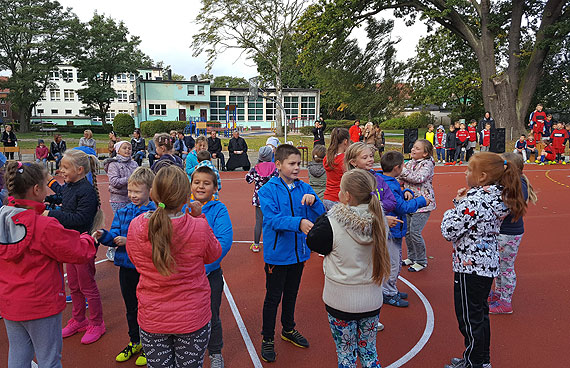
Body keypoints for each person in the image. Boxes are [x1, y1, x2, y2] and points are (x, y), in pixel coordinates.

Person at [0, 162, 96, 368]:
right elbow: (77, 251)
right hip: (41, 304)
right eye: (45, 185)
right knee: (49, 359)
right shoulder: (42, 225)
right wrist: (88, 238)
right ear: (36, 190)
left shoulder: (2, 217)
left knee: (18, 353)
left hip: (10, 301)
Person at [126, 166, 221, 368]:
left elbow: (135, 261)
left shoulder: (137, 226)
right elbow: (214, 254)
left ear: (152, 193)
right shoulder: (198, 227)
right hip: (192, 318)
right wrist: (199, 217)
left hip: (153, 318)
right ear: (187, 196)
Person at [441, 152, 526, 368]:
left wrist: (454, 206)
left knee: (469, 318)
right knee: (480, 315)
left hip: (470, 266)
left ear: (482, 176)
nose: (466, 173)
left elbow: (449, 230)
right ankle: (480, 360)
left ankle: (475, 363)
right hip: (486, 263)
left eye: (470, 170)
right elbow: (474, 218)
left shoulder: (477, 199)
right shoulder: (499, 194)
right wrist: (462, 201)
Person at [306, 169, 389, 368]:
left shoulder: (332, 222)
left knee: (346, 355)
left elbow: (313, 241)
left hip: (340, 300)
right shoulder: (380, 220)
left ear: (347, 195)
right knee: (369, 353)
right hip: (371, 298)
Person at [257, 144, 326, 363]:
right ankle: (267, 337)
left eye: (299, 164)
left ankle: (288, 329)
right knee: (273, 298)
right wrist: (298, 223)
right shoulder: (267, 190)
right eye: (292, 164)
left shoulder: (305, 188)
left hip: (299, 254)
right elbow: (272, 220)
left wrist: (314, 203)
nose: (297, 168)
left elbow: (322, 213)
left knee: (292, 294)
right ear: (278, 165)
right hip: (278, 255)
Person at [92, 167, 156, 366]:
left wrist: (129, 241)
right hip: (126, 268)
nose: (132, 195)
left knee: (148, 308)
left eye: (137, 191)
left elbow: (155, 240)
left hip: (146, 269)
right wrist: (105, 236)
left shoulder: (155, 213)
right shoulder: (124, 212)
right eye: (130, 191)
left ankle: (149, 345)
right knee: (131, 307)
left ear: (150, 191)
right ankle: (135, 341)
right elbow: (114, 236)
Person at [46, 149, 105, 344]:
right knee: (74, 285)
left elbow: (80, 219)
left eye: (65, 167)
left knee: (87, 286)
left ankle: (97, 323)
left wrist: (53, 215)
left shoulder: (87, 191)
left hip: (82, 244)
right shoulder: (71, 185)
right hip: (70, 243)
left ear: (79, 169)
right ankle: (79, 319)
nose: (60, 170)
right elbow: (64, 198)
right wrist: (49, 201)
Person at [190, 166, 233, 367]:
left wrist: (205, 265)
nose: (201, 186)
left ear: (215, 187)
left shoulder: (218, 209)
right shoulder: (183, 207)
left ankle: (215, 352)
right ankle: (188, 349)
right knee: (187, 314)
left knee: (212, 315)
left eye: (206, 183)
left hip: (209, 274)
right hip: (186, 276)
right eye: (197, 182)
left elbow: (224, 241)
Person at [488, 153, 537, 315]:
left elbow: (508, 206)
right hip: (502, 232)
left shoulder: (519, 185)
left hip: (509, 233)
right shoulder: (506, 183)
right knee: (499, 265)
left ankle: (505, 301)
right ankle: (499, 292)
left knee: (506, 267)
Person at [379, 152, 429, 308]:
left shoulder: (383, 179)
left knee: (393, 260)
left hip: (393, 228)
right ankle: (388, 292)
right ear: (397, 168)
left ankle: (390, 288)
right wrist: (421, 200)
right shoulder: (391, 184)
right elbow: (401, 206)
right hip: (393, 228)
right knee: (393, 263)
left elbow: (398, 198)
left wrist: (408, 192)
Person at [400, 140, 436, 272]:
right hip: (410, 203)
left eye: (417, 148)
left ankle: (421, 261)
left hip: (423, 204)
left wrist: (402, 171)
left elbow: (419, 178)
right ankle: (412, 257)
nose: (413, 150)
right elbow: (402, 177)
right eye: (413, 147)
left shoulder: (427, 164)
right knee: (408, 232)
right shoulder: (410, 163)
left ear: (425, 153)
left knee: (415, 232)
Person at [344, 142, 397, 213]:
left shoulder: (378, 179)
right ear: (353, 162)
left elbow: (392, 201)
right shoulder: (351, 182)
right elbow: (356, 207)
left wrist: (378, 208)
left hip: (380, 219)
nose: (370, 159)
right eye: (365, 157)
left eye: (371, 156)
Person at [245, 146, 278, 253]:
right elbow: (279, 180)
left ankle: (256, 245)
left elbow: (248, 179)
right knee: (272, 220)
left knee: (259, 221)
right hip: (272, 198)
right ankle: (273, 243)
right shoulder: (274, 168)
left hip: (259, 198)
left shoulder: (255, 168)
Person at [104, 141, 139, 213]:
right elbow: (114, 182)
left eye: (129, 148)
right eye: (124, 148)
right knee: (121, 222)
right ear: (118, 151)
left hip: (133, 198)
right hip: (119, 199)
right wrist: (130, 179)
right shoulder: (113, 164)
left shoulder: (134, 164)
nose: (127, 150)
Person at [323, 127, 350, 210]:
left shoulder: (328, 157)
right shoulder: (344, 160)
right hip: (339, 198)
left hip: (328, 196)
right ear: (346, 141)